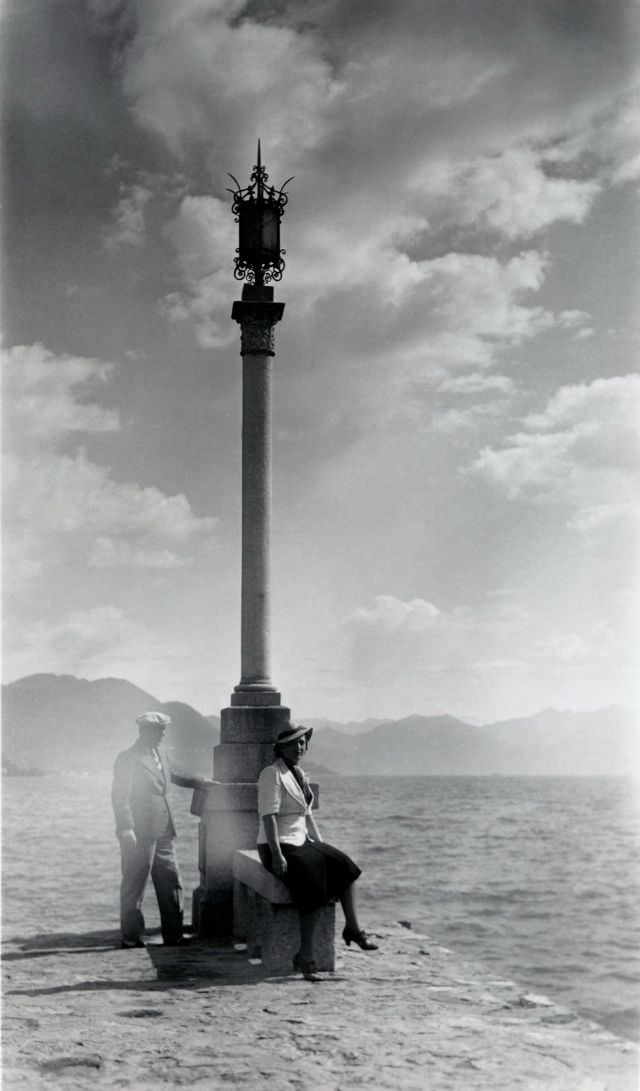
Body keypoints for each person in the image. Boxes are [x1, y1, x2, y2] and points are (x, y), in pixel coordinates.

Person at [257, 723, 378, 980]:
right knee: (311, 878)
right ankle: (305, 955)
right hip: (275, 844)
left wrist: (322, 847)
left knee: (344, 866)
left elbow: (308, 816)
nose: (300, 747)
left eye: (302, 743)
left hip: (301, 841)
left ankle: (353, 929)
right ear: (282, 748)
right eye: (294, 743)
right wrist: (277, 856)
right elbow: (268, 817)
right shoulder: (272, 774)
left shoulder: (300, 775)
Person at [111, 711, 212, 949]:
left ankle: (174, 935)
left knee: (171, 881)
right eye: (159, 730)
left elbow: (176, 775)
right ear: (145, 731)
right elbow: (119, 796)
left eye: (164, 730)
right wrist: (126, 828)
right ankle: (131, 937)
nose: (163, 734)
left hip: (164, 828)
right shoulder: (128, 758)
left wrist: (202, 782)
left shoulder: (161, 755)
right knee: (134, 884)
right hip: (139, 831)